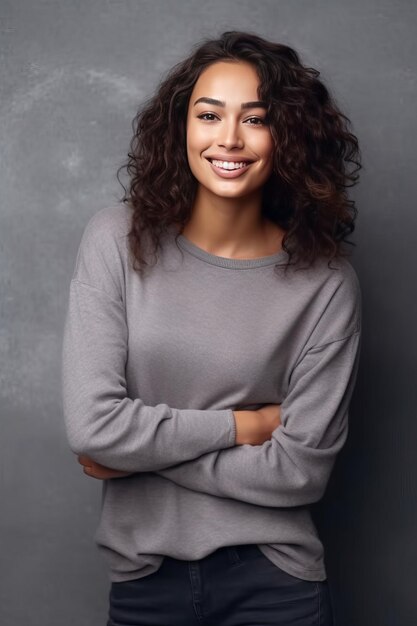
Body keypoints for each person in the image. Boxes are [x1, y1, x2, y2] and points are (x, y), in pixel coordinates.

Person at [61, 30, 362, 626]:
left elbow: (298, 474)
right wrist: (246, 426)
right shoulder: (115, 241)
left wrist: (133, 454)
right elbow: (94, 428)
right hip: (144, 579)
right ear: (182, 128)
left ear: (289, 137)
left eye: (256, 118)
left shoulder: (326, 283)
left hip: (279, 585)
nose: (229, 138)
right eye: (209, 115)